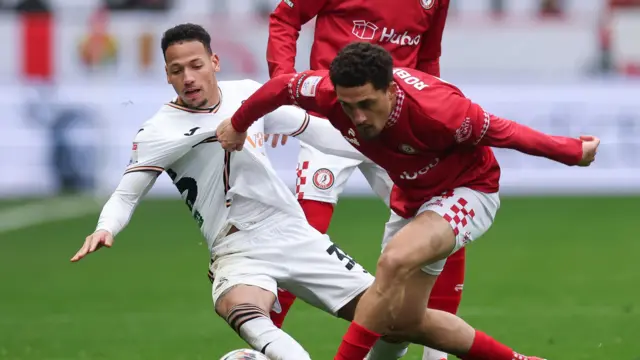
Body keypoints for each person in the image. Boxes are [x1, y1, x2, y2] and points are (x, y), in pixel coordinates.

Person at [218, 42, 600, 360]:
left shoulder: (439, 111)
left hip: (468, 192)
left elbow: (508, 133)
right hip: (413, 203)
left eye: (366, 103)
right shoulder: (326, 92)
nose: (358, 117)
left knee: (395, 260)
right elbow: (280, 87)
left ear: (391, 90)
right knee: (402, 324)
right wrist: (237, 124)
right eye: (349, 106)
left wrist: (572, 151)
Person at [69, 23, 376, 360]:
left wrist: (385, 150)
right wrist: (105, 227)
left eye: (196, 65)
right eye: (177, 70)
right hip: (236, 247)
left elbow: (314, 130)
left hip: (294, 232)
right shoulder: (158, 132)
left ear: (214, 62)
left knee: (392, 320)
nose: (188, 77)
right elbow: (127, 194)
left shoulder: (247, 94)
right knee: (243, 310)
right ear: (167, 76)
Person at [266, 6, 463, 359]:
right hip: (331, 117)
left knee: (444, 220)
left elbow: (428, 56)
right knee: (305, 231)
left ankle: (437, 355)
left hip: (394, 126)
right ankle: (264, 343)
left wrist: (433, 113)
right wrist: (285, 90)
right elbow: (285, 17)